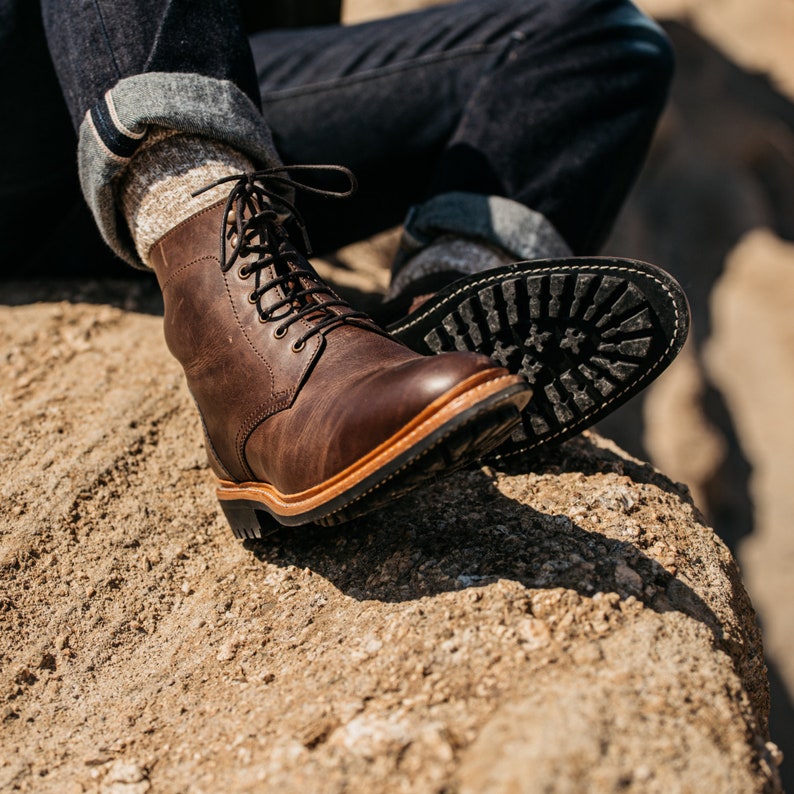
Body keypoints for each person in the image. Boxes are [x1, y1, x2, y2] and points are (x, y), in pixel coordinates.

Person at [0, 0, 688, 537]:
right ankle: (221, 297)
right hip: (27, 143)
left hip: (197, 83)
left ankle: (434, 322)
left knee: (605, 40)